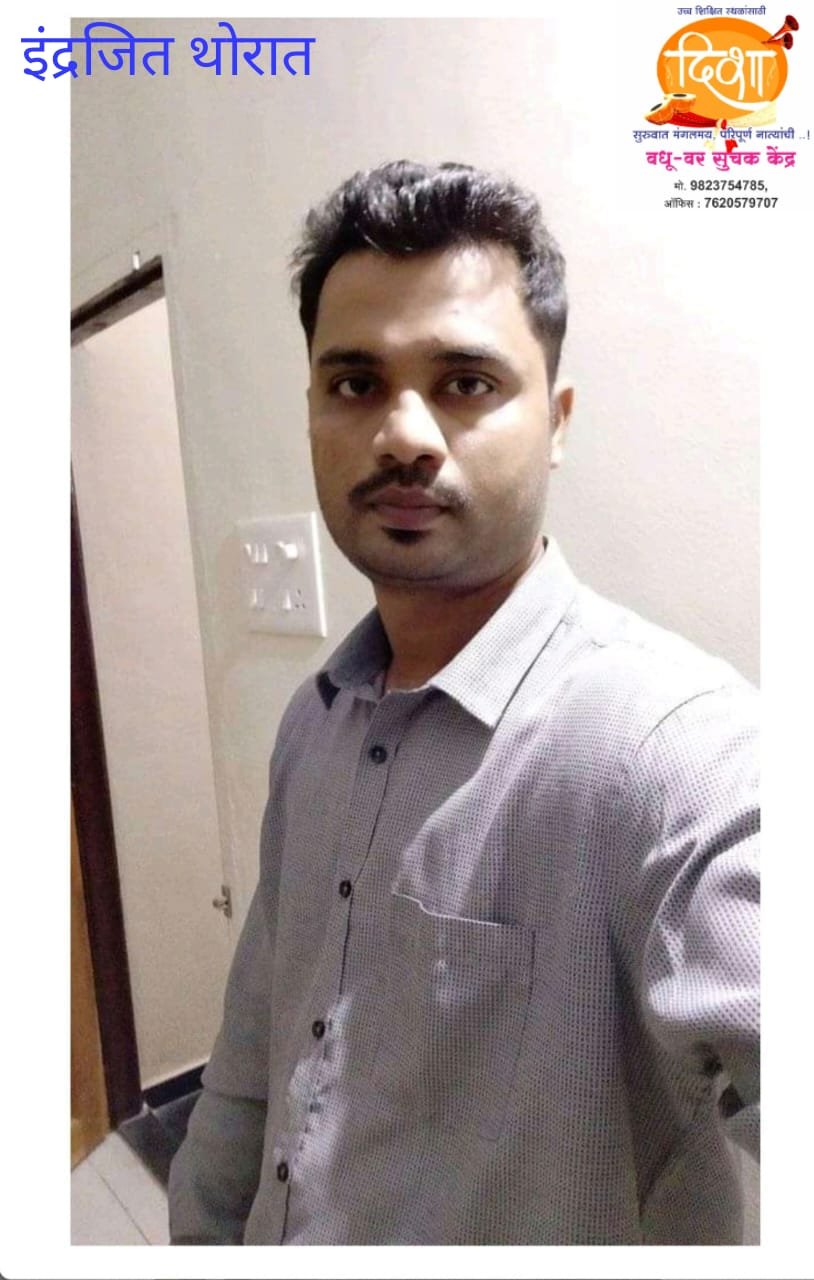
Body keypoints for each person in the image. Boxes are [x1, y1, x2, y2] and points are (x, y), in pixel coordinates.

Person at [168, 160, 759, 1246]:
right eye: (356, 383)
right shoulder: (314, 719)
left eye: (466, 383)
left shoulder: (673, 747)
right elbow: (257, 1042)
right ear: (313, 411)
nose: (404, 434)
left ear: (558, 420)